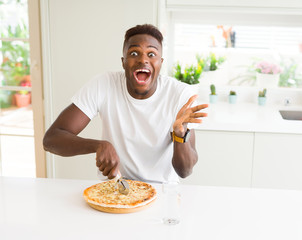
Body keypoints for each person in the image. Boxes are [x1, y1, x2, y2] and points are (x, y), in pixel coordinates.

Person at [43, 24, 208, 183]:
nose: (143, 60)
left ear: (160, 63)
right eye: (134, 53)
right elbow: (51, 140)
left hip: (162, 191)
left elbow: (184, 171)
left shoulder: (180, 95)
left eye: (151, 54)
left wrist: (180, 135)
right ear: (123, 61)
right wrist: (98, 145)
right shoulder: (104, 84)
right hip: (116, 188)